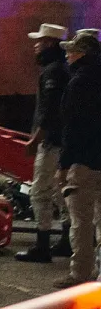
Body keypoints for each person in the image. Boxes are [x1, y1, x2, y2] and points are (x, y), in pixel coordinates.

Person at [15, 23, 72, 263]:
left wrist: (35, 138)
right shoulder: (64, 68)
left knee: (39, 192)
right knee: (62, 191)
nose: (35, 46)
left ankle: (42, 245)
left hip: (51, 142)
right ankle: (67, 241)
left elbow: (49, 110)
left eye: (39, 41)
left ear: (49, 43)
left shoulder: (52, 71)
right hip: (64, 141)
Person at [54, 32, 101, 288]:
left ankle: (80, 272)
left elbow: (72, 128)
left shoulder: (79, 83)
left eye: (71, 51)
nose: (67, 55)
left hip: (84, 162)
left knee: (81, 221)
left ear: (82, 54)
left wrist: (63, 165)